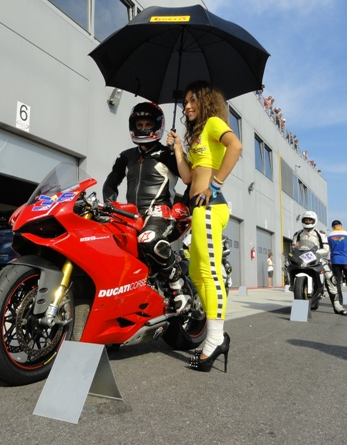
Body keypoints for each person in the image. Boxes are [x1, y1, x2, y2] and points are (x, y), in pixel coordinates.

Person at [166, 80, 242, 372]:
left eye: (192, 100)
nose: (187, 106)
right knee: (197, 274)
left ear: (206, 101)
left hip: (211, 207)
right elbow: (187, 178)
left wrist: (215, 184)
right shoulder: (198, 135)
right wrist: (178, 149)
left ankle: (215, 339)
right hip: (197, 209)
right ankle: (214, 336)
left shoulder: (213, 123)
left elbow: (236, 146)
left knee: (210, 275)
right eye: (185, 102)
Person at [103, 102, 189, 313]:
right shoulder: (126, 156)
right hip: (130, 216)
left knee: (147, 239)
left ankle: (178, 285)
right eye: (139, 124)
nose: (142, 128)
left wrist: (183, 206)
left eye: (148, 124)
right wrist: (110, 207)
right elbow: (110, 184)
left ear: (158, 126)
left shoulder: (168, 154)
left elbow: (191, 180)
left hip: (160, 214)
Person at [292, 211, 347, 315]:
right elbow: (293, 247)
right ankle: (293, 287)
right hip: (302, 259)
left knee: (330, 277)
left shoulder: (320, 233)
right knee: (289, 266)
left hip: (318, 259)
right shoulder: (297, 234)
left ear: (314, 221)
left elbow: (326, 249)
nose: (308, 222)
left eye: (310, 220)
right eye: (306, 220)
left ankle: (337, 304)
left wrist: (314, 253)